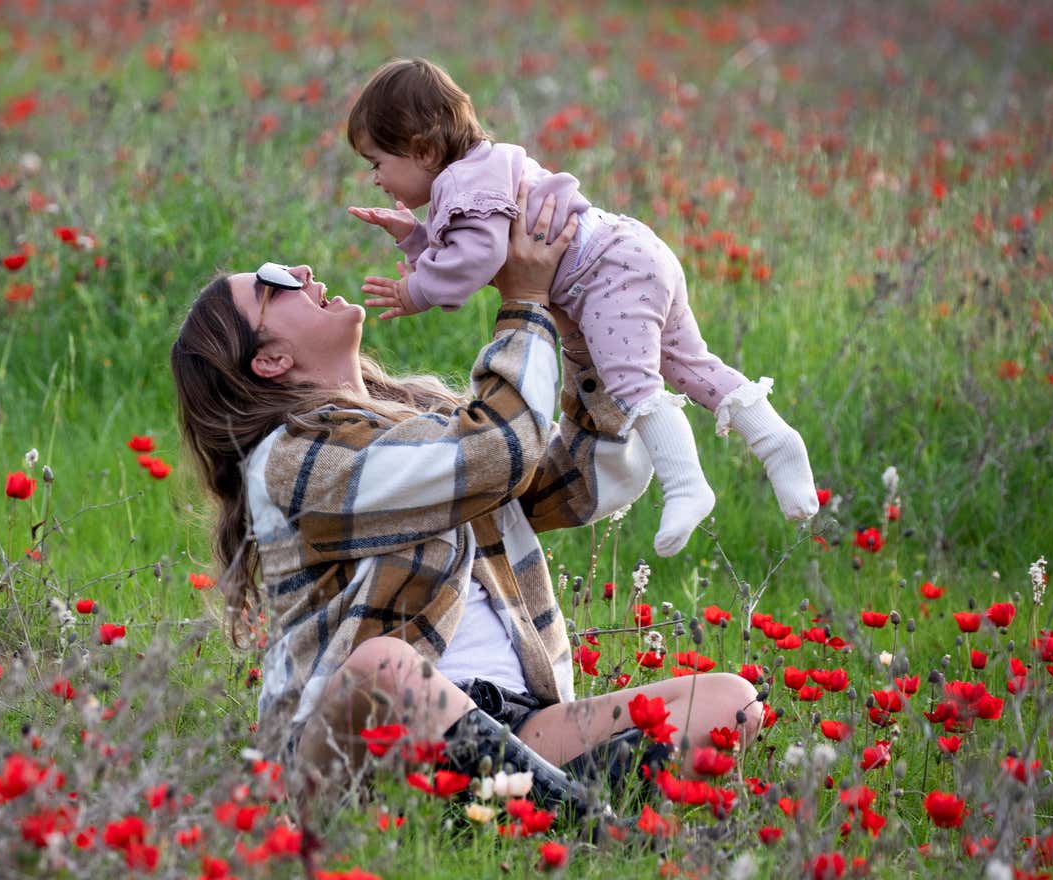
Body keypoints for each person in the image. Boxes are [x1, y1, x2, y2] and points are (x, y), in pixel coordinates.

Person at [171, 186, 765, 833]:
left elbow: (584, 483)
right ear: (271, 360)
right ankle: (595, 829)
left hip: (508, 723)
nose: (303, 274)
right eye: (273, 286)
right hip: (358, 742)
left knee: (729, 702)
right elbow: (496, 452)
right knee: (383, 665)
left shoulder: (428, 425)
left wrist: (586, 326)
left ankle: (531, 808)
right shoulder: (292, 462)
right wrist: (524, 302)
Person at [346, 57, 819, 558]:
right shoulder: (479, 170)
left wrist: (414, 291)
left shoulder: (461, 183)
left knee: (633, 383)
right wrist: (416, 239)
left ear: (423, 150)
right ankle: (775, 439)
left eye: (377, 162)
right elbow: (472, 251)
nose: (376, 178)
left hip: (606, 274)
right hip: (631, 253)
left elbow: (480, 257)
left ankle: (686, 485)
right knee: (690, 365)